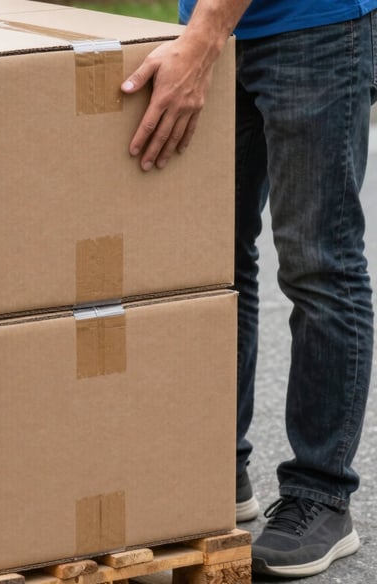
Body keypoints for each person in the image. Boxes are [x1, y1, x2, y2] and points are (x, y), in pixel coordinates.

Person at [121, 0, 376, 578]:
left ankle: (322, 496)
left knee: (319, 261)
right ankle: (218, 474)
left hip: (315, 26)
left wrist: (206, 32)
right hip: (221, 27)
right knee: (213, 266)